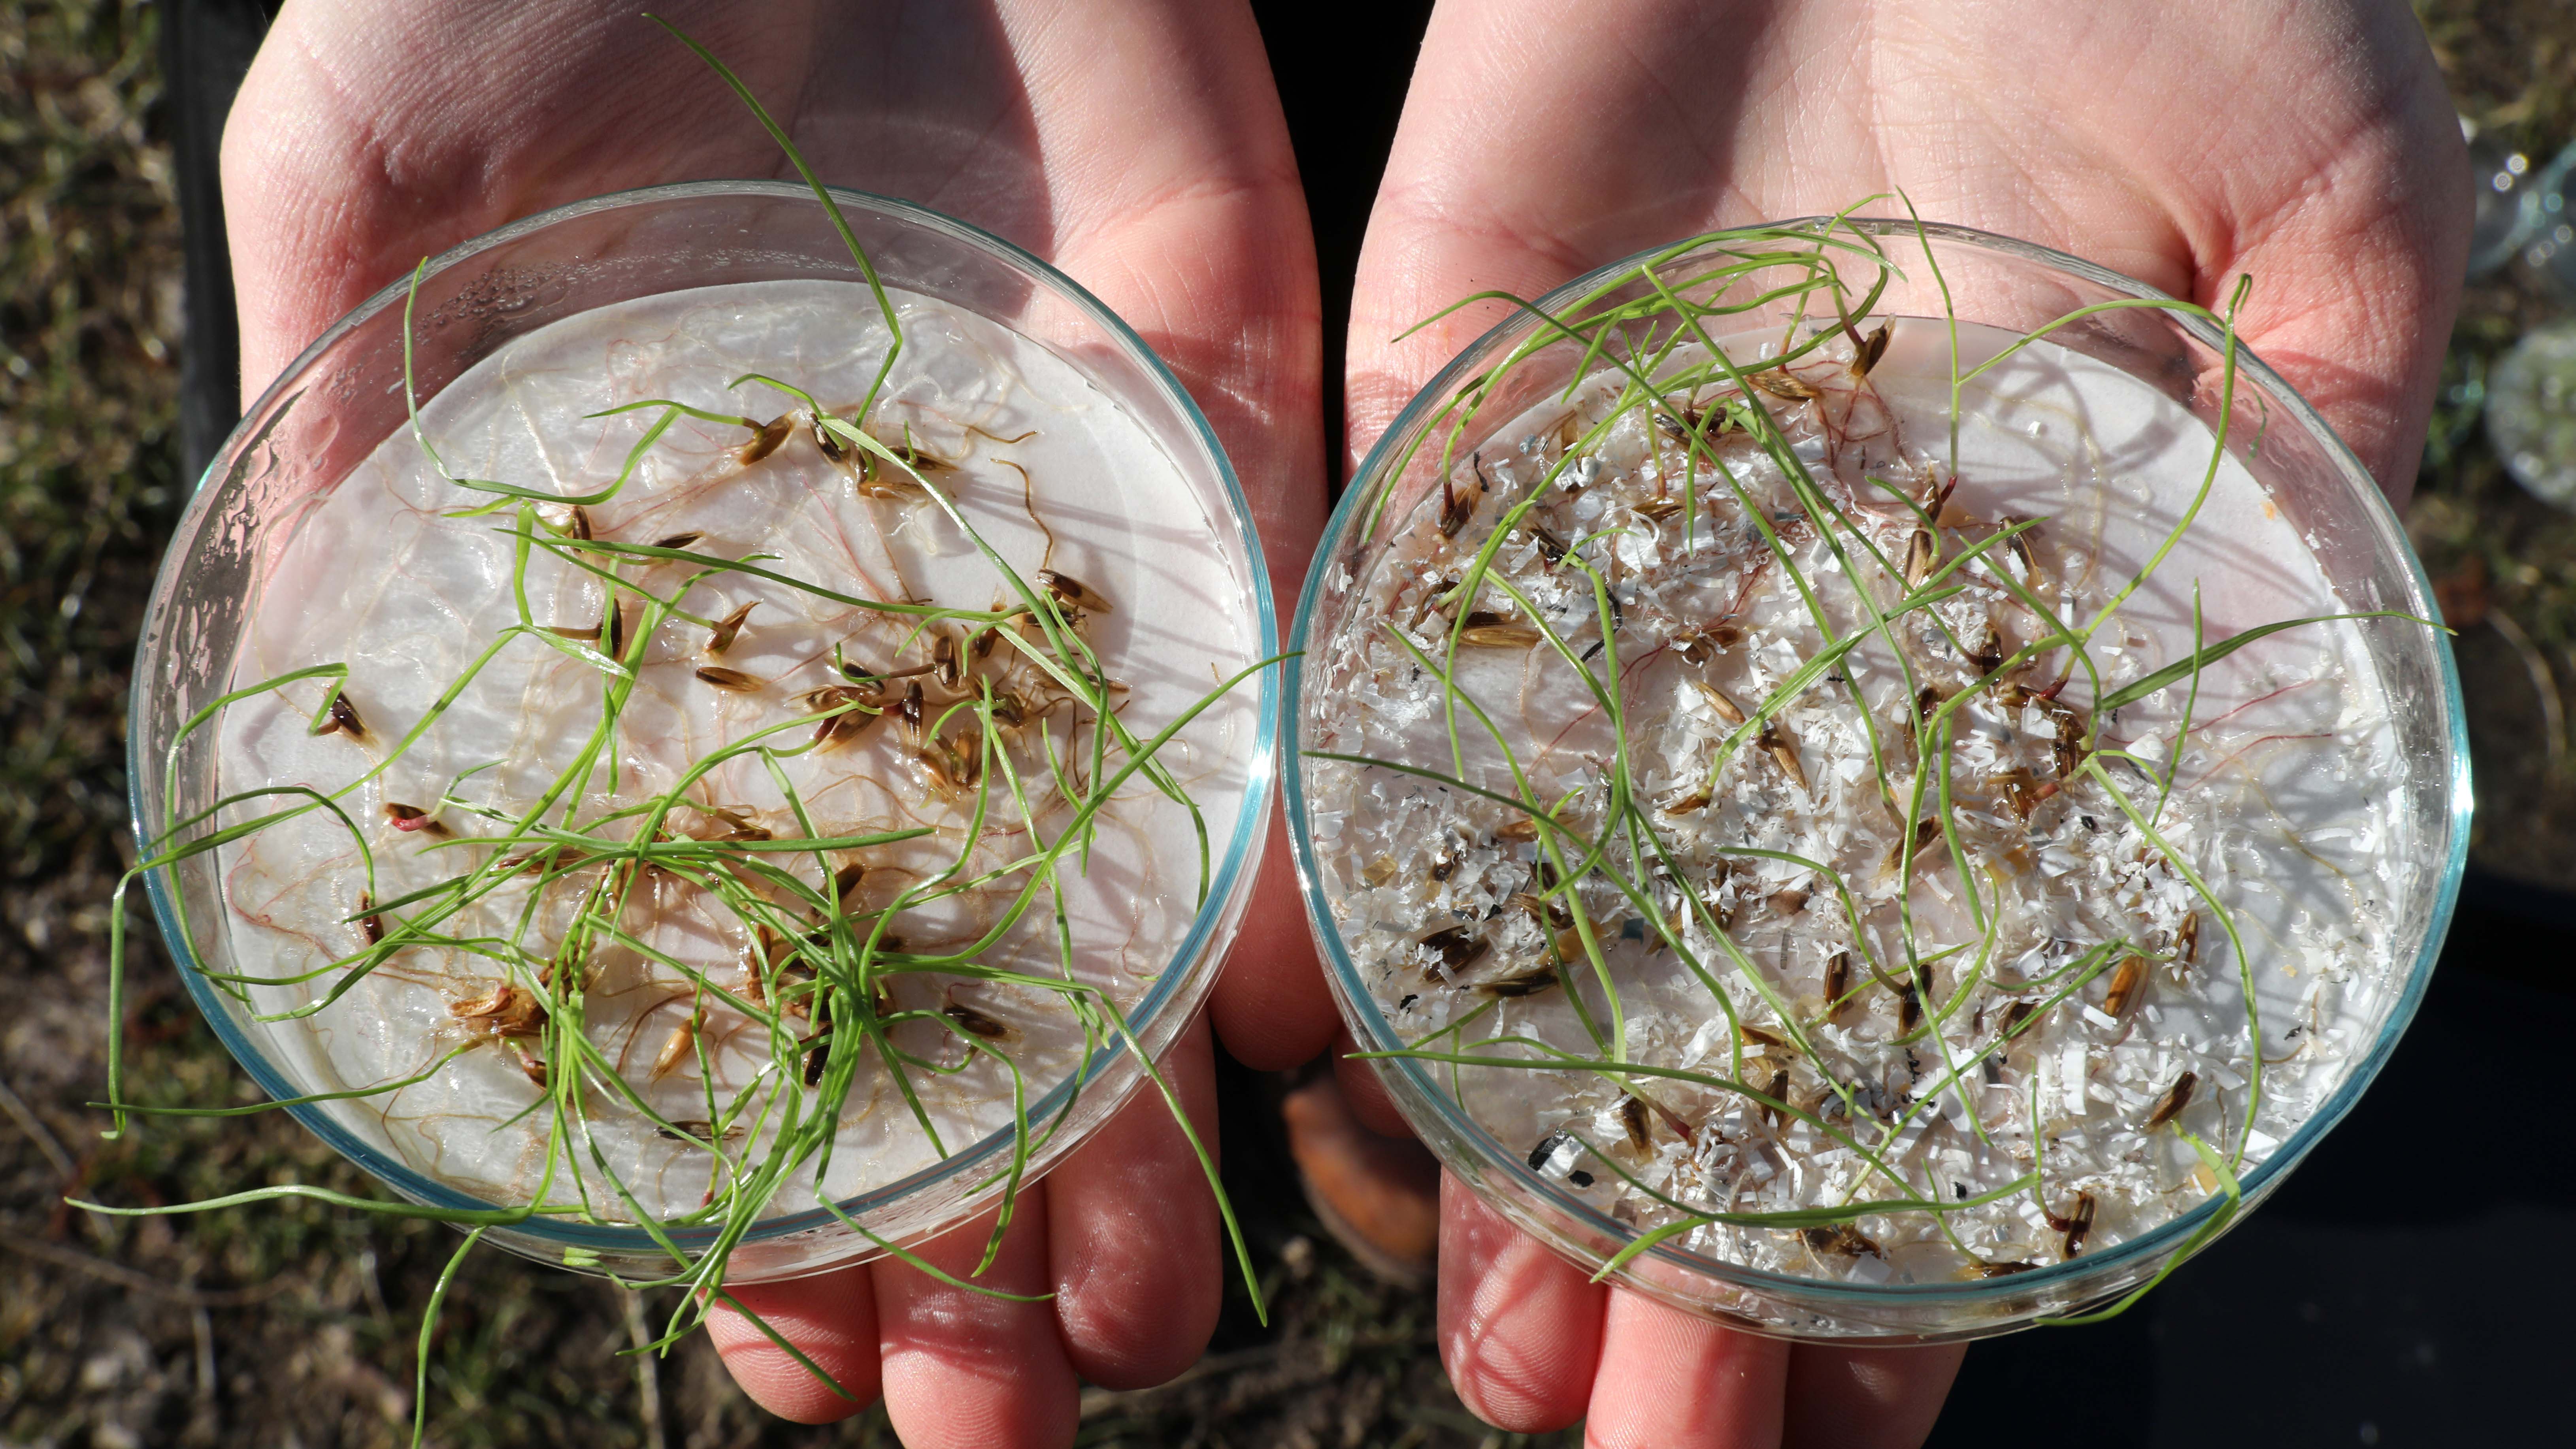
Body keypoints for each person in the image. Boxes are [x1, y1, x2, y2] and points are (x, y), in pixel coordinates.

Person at [219, 3, 2465, 1445]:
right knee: (1341, 836)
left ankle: (1409, 1092)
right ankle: (1396, 1067)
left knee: (1406, 865)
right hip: (948, 117)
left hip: (1601, 132)